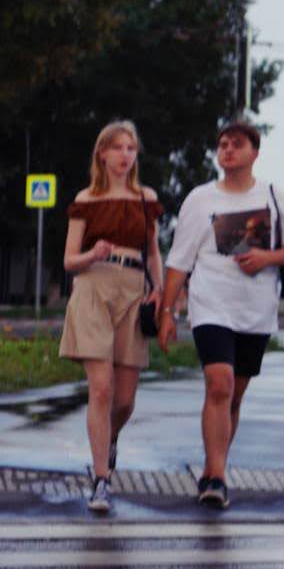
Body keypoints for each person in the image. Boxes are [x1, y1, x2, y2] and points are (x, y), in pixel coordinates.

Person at [159, 121, 284, 509]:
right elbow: (179, 260)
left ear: (254, 153)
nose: (227, 150)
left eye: (236, 144)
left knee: (234, 396)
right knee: (219, 384)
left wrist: (266, 257)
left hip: (255, 312)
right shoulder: (200, 199)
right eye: (222, 144)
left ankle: (218, 463)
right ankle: (215, 476)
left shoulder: (273, 196)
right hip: (211, 305)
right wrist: (167, 311)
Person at [60, 120, 163, 513]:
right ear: (102, 153)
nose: (125, 155)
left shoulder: (144, 198)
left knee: (125, 399)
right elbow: (70, 260)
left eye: (131, 148)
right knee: (101, 390)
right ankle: (101, 479)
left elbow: (153, 250)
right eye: (118, 147)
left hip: (134, 290)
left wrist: (160, 290)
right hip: (93, 288)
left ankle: (110, 437)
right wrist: (94, 252)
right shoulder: (85, 199)